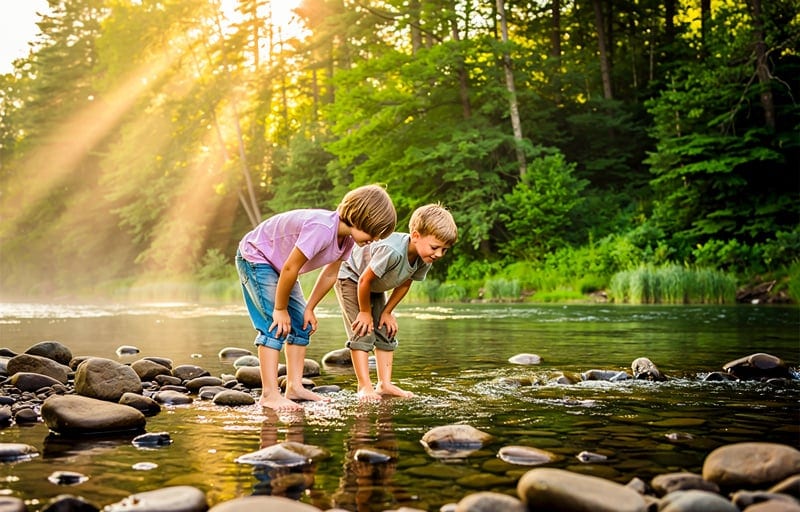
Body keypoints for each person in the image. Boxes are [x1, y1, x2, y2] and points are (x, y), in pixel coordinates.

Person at [235, 184, 396, 411]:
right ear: (360, 219)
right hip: (257, 257)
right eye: (375, 232)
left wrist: (310, 307)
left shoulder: (348, 241)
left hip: (280, 267)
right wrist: (280, 309)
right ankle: (269, 394)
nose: (376, 239)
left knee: (302, 324)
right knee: (274, 325)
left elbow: (330, 273)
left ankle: (294, 386)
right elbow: (291, 267)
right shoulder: (322, 228)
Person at [333, 203, 458, 400]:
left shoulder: (424, 258)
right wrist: (365, 312)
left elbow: (404, 283)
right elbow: (364, 279)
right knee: (363, 330)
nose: (439, 254)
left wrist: (387, 312)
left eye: (445, 250)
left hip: (373, 285)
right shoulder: (392, 251)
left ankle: (385, 384)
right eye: (435, 247)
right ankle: (364, 386)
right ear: (416, 236)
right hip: (352, 278)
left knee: (385, 330)